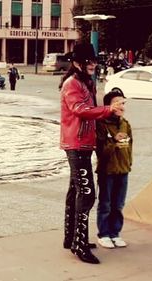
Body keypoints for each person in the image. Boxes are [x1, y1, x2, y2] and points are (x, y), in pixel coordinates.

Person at [59, 42, 125, 264]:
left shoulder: (86, 82)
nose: (93, 64)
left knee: (75, 192)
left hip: (83, 144)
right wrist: (109, 110)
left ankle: (72, 239)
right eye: (89, 61)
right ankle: (79, 244)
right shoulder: (72, 84)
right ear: (77, 63)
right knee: (87, 195)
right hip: (76, 145)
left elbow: (88, 111)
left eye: (94, 61)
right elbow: (81, 110)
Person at [95, 91, 132, 249]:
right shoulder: (101, 124)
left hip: (123, 170)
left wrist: (128, 163)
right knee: (106, 204)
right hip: (107, 171)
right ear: (109, 106)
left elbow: (129, 147)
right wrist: (113, 142)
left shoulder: (125, 124)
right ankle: (103, 234)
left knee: (118, 204)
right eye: (118, 103)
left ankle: (115, 233)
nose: (121, 106)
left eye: (123, 103)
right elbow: (100, 151)